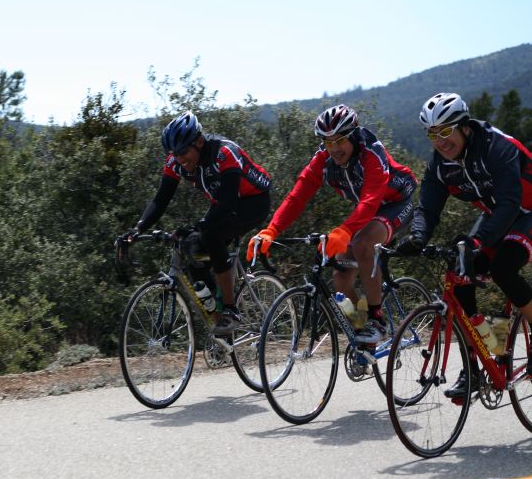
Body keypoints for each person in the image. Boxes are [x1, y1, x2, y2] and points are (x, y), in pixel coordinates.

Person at [395, 92, 532, 398]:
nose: (440, 141)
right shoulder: (440, 166)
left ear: (465, 127)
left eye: (446, 131)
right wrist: (417, 237)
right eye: (433, 134)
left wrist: (478, 241)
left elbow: (510, 202)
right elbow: (427, 210)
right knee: (460, 278)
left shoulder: (497, 147)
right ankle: (479, 364)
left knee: (503, 268)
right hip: (499, 217)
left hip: (525, 210)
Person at [248, 104, 417, 344]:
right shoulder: (323, 159)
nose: (334, 149)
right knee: (341, 276)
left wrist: (345, 231)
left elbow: (370, 200)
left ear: (353, 135)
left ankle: (376, 320)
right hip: (367, 209)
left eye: (339, 141)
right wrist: (271, 230)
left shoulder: (371, 153)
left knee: (362, 243)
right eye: (328, 142)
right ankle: (363, 334)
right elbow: (298, 196)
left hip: (396, 203)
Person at [120, 110, 272, 335]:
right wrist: (137, 229)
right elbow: (160, 200)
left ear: (199, 142)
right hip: (223, 202)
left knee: (209, 233)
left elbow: (229, 202)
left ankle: (231, 310)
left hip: (252, 201)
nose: (180, 159)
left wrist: (200, 226)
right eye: (174, 153)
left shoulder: (223, 153)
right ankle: (219, 322)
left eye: (183, 151)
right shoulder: (176, 161)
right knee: (193, 251)